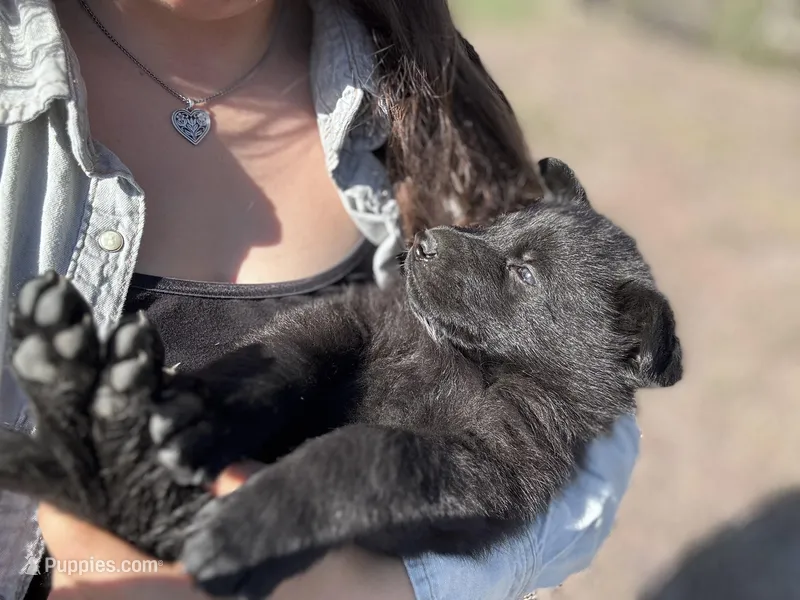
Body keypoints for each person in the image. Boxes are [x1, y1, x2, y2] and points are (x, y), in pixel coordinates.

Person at [0, 0, 642, 598]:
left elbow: (598, 435)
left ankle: (85, 421)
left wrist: (380, 585)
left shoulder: (424, 80)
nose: (449, 244)